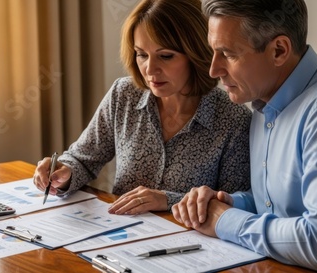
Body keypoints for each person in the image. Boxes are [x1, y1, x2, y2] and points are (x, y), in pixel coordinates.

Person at [171, 0, 317, 272]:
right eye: (213, 52)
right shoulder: (265, 100)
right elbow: (279, 205)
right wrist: (229, 203)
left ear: (279, 50)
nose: (213, 70)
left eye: (227, 54)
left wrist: (225, 220)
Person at [33, 0, 251, 215]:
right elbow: (83, 159)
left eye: (165, 56)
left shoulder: (234, 119)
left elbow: (233, 204)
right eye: (142, 55)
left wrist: (167, 200)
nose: (150, 69)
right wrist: (63, 172)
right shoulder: (124, 94)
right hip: (120, 235)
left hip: (191, 244)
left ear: (196, 53)